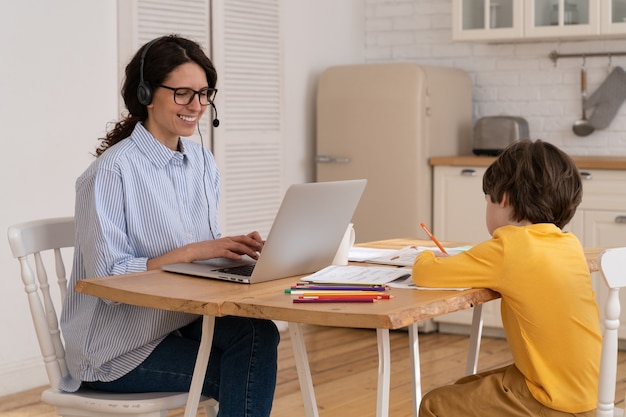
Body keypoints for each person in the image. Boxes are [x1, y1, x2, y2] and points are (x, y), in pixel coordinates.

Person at [60, 34, 280, 417]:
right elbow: (107, 281)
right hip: (115, 351)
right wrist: (197, 251)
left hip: (176, 321)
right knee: (244, 369)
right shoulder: (112, 172)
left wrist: (234, 257)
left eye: (204, 93)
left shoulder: (201, 162)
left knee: (259, 332)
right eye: (182, 93)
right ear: (145, 93)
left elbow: (199, 262)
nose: (196, 105)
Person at [413, 139, 601, 417]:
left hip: (550, 399)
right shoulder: (569, 243)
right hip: (588, 391)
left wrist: (425, 255)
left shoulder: (507, 247)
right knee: (466, 387)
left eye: (487, 199)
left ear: (503, 199)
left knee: (434, 404)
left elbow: (424, 274)